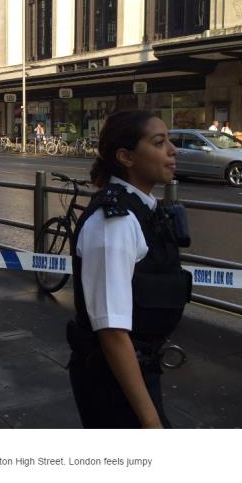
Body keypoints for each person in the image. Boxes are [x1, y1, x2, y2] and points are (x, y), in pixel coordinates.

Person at [66, 110, 191, 428]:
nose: (172, 150)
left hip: (135, 368)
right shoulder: (115, 224)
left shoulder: (141, 209)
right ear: (126, 157)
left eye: (169, 141)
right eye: (159, 142)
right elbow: (112, 332)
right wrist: (151, 422)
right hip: (113, 378)